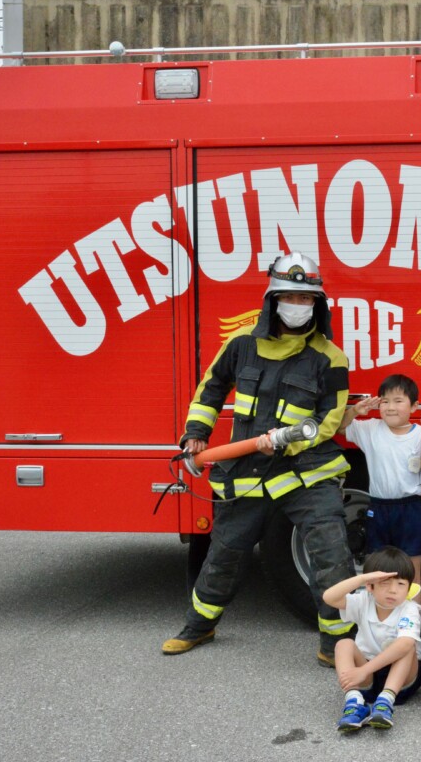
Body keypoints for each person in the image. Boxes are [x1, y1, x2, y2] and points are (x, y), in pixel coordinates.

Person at [162, 251, 356, 665]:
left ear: (318, 306)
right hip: (250, 471)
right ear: (273, 300)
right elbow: (210, 391)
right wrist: (196, 434)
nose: (298, 306)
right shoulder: (241, 345)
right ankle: (199, 625)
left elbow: (329, 419)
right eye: (290, 297)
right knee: (226, 551)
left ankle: (335, 642)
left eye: (307, 300)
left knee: (331, 554)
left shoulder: (330, 357)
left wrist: (287, 443)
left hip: (308, 472)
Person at [339, 373, 421, 595]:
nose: (390, 407)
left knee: (411, 571)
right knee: (378, 569)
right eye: (385, 401)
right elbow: (339, 427)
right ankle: (379, 621)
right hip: (378, 508)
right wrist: (354, 411)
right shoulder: (371, 428)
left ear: (413, 407)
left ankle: (412, 624)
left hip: (410, 508)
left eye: (398, 401)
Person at [322, 547, 421, 732]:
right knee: (343, 644)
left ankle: (385, 702)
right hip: (367, 676)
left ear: (409, 588)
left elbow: (405, 645)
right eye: (385, 583)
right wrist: (362, 578)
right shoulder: (364, 600)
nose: (393, 590)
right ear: (371, 586)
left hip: (401, 679)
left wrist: (363, 670)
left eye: (401, 584)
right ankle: (354, 702)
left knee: (406, 646)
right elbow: (329, 597)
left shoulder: (409, 609)